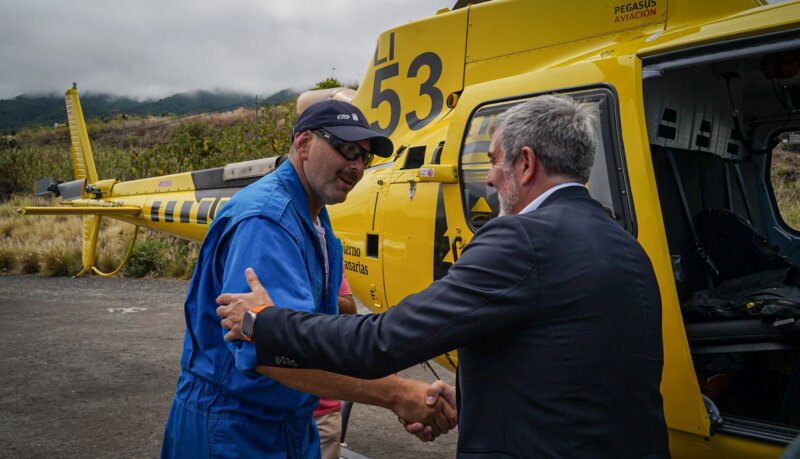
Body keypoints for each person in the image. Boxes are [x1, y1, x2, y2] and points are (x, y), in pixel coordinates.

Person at [217, 94, 670, 458]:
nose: (490, 180)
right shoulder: (628, 248)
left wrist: (264, 320)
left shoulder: (520, 239)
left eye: (493, 161)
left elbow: (382, 341)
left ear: (526, 164)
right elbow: (566, 369)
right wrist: (459, 398)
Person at [161, 100, 456, 458]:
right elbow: (276, 352)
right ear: (302, 144)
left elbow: (313, 335)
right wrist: (395, 393)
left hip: (284, 424)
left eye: (365, 157)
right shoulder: (269, 221)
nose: (357, 166)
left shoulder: (314, 217)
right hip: (235, 429)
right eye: (346, 149)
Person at [314, 271, 355, 459]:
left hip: (323, 411)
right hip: (274, 411)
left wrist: (317, 295)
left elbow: (350, 310)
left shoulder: (327, 255)